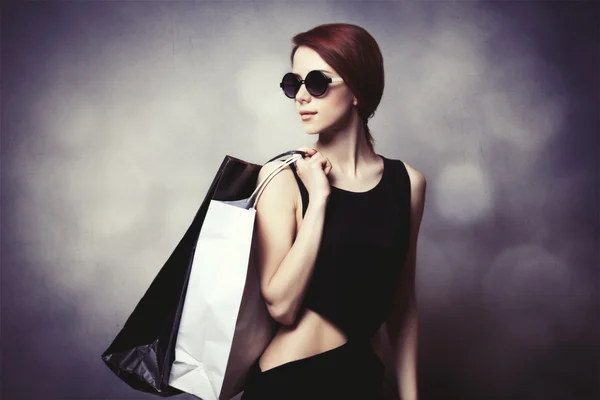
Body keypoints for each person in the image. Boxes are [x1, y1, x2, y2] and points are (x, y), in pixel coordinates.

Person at [242, 22, 426, 400]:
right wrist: (319, 200)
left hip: (363, 381)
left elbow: (402, 302)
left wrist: (411, 396)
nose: (301, 97)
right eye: (294, 84)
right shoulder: (283, 178)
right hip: (290, 384)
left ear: (357, 89)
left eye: (317, 82)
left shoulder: (408, 183)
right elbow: (281, 306)